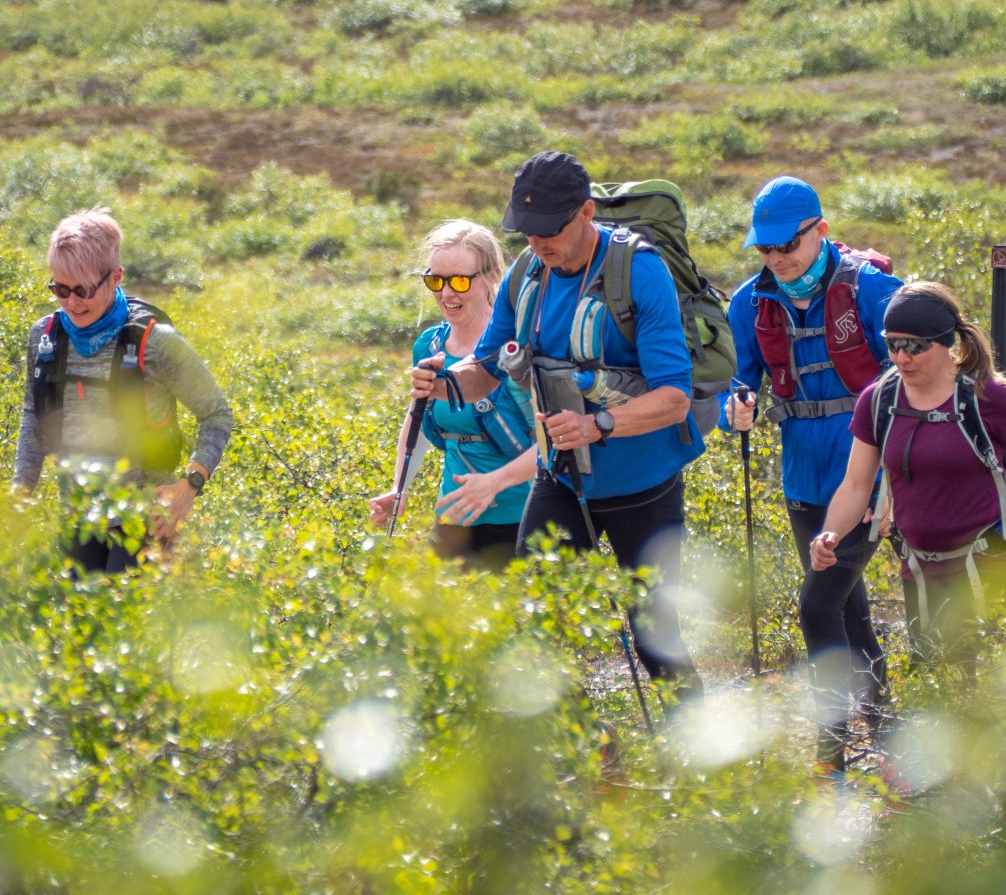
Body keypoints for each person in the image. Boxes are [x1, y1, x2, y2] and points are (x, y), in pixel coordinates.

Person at [410, 151, 704, 694]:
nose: (538, 242)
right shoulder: (528, 273)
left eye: (550, 229)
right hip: (562, 477)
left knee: (654, 637)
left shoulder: (640, 271)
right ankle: (587, 749)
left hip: (643, 484)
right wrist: (446, 379)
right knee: (536, 623)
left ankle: (698, 759)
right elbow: (489, 370)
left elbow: (674, 399)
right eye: (526, 231)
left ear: (586, 213)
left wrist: (599, 426)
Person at [810, 282, 1006, 672]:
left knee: (969, 680)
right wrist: (830, 536)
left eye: (915, 346)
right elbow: (856, 485)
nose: (901, 357)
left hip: (985, 563)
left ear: (945, 343)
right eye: (892, 344)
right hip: (919, 568)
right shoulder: (879, 401)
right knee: (932, 677)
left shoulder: (987, 398)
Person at [722, 175, 901, 775]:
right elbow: (739, 376)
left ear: (820, 231)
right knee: (848, 609)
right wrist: (737, 403)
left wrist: (898, 475)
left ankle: (832, 752)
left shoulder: (873, 290)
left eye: (786, 248)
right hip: (803, 480)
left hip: (868, 481)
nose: (776, 260)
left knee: (818, 607)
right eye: (765, 250)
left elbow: (915, 375)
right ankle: (885, 723)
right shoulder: (749, 302)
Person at [14, 207, 234, 572]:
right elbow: (31, 414)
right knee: (78, 626)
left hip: (146, 521)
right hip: (78, 519)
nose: (71, 302)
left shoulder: (156, 343)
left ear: (115, 276)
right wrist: (19, 491)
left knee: (131, 628)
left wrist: (189, 486)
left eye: (82, 289)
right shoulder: (45, 337)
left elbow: (216, 415)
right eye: (60, 288)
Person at [369, 221, 535, 570]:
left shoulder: (516, 347)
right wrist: (400, 488)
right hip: (453, 523)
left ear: (491, 276)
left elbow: (554, 441)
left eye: (459, 281)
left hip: (524, 521)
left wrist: (491, 484)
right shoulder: (429, 346)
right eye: (435, 280)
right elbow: (417, 423)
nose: (446, 293)